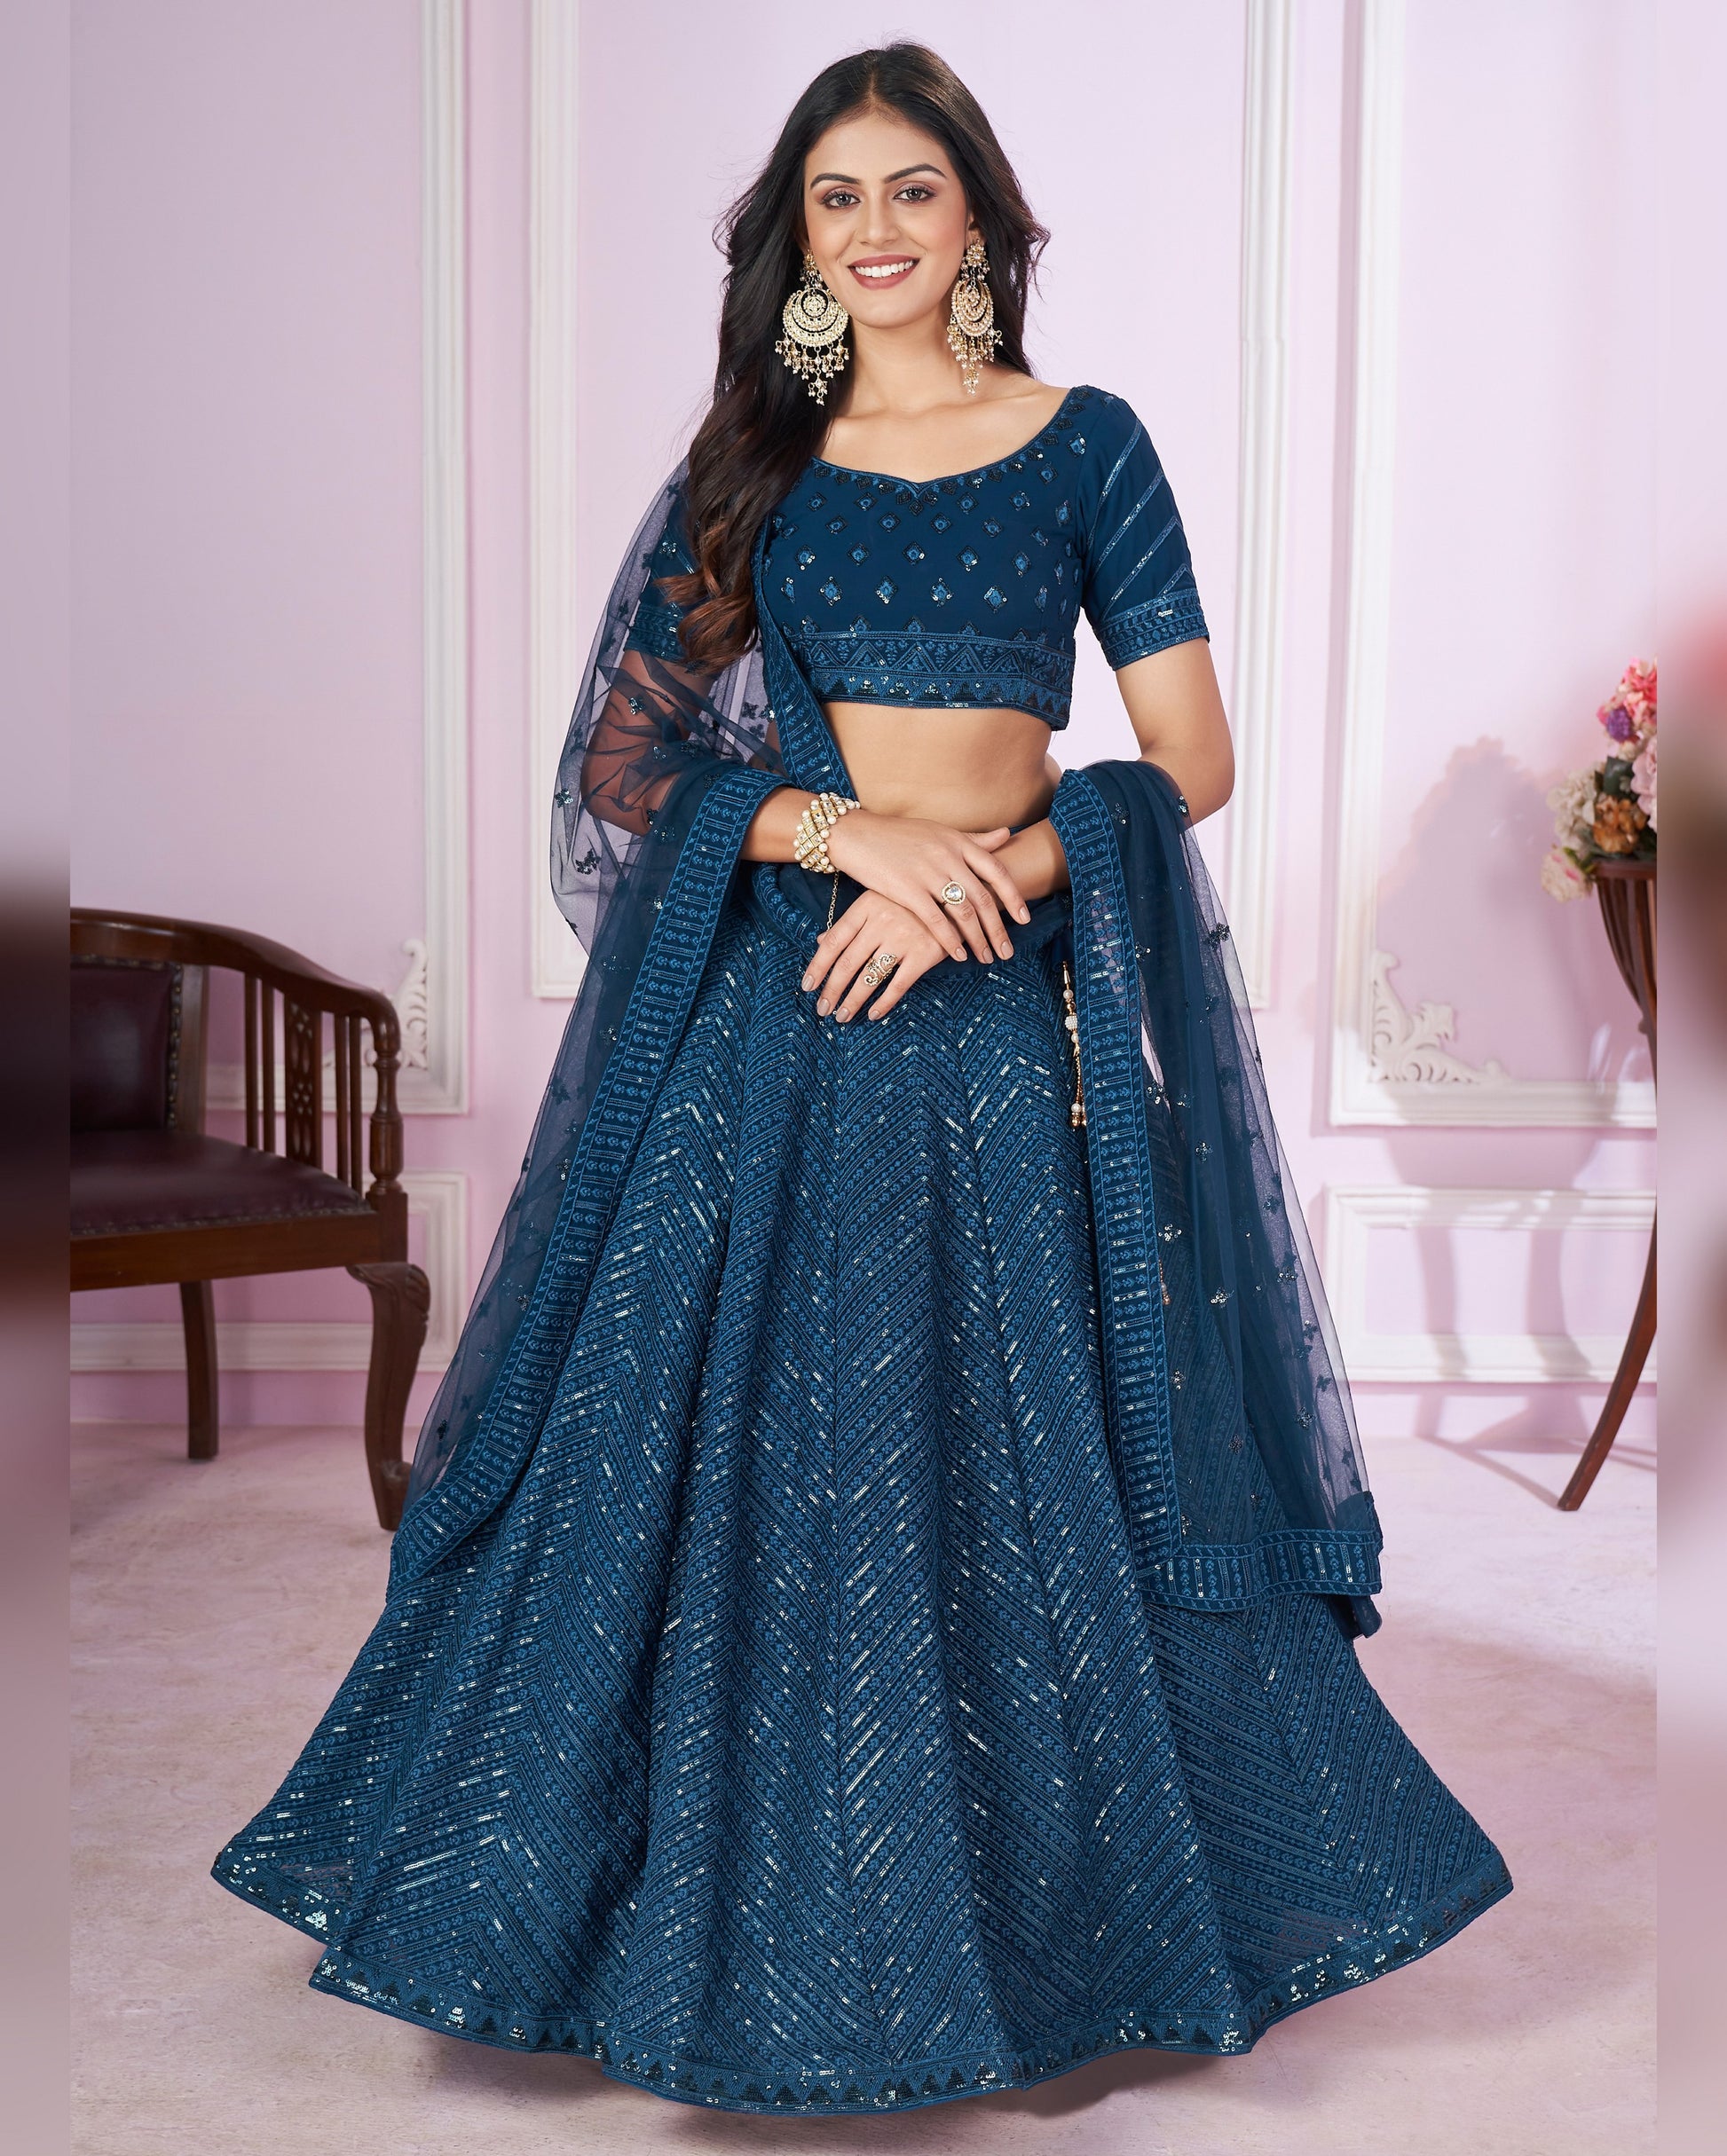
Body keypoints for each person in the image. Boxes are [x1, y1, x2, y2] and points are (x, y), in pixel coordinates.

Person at [214, 43, 1510, 2115]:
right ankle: (632, 1920)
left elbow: (1188, 753)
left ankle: (1042, 1923)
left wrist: (990, 867)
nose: (879, 231)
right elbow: (627, 771)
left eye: (914, 192)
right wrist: (838, 841)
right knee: (685, 1453)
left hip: (997, 1002)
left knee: (1016, 1452)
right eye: (838, 199)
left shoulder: (1084, 445)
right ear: (796, 240)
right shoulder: (756, 465)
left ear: (979, 221)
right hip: (772, 1005)